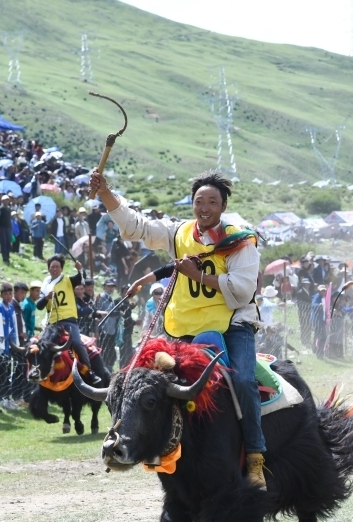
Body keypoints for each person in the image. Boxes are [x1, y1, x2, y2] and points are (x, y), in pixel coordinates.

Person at [91, 169, 267, 490]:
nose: (204, 206)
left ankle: (255, 454)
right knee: (148, 385)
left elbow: (242, 290)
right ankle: (148, 445)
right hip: (184, 329)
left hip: (233, 323)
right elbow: (135, 227)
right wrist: (105, 193)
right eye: (199, 200)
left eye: (212, 201)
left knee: (242, 379)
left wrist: (198, 276)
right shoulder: (178, 233)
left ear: (223, 205)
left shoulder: (240, 240)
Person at [36, 254, 102, 385]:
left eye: (57, 266)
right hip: (51, 324)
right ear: (48, 268)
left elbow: (80, 277)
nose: (54, 269)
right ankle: (39, 371)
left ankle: (89, 371)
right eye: (52, 266)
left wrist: (80, 269)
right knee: (41, 346)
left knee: (77, 343)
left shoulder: (67, 280)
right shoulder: (45, 284)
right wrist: (46, 298)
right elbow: (39, 305)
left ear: (61, 268)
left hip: (68, 321)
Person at [0, 283, 22, 409]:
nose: (8, 296)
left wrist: (16, 344)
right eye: (5, 294)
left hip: (9, 346)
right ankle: (3, 398)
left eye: (10, 294)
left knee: (8, 372)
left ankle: (7, 397)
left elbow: (13, 326)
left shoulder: (10, 308)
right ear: (1, 295)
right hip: (1, 348)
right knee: (2, 372)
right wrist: (0, 348)